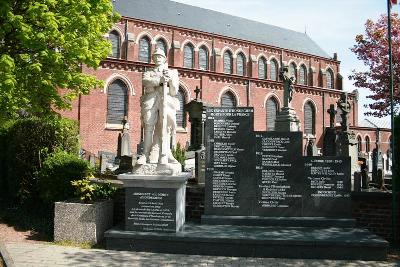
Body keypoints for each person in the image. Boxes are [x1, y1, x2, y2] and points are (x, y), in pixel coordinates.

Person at [137, 48, 180, 165]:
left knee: (165, 127)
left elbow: (174, 91)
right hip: (150, 101)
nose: (157, 58)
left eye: (160, 56)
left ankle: (164, 154)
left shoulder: (172, 72)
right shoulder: (148, 72)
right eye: (155, 56)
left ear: (164, 58)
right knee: (148, 127)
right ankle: (144, 155)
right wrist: (160, 80)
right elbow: (146, 82)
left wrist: (170, 80)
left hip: (166, 101)